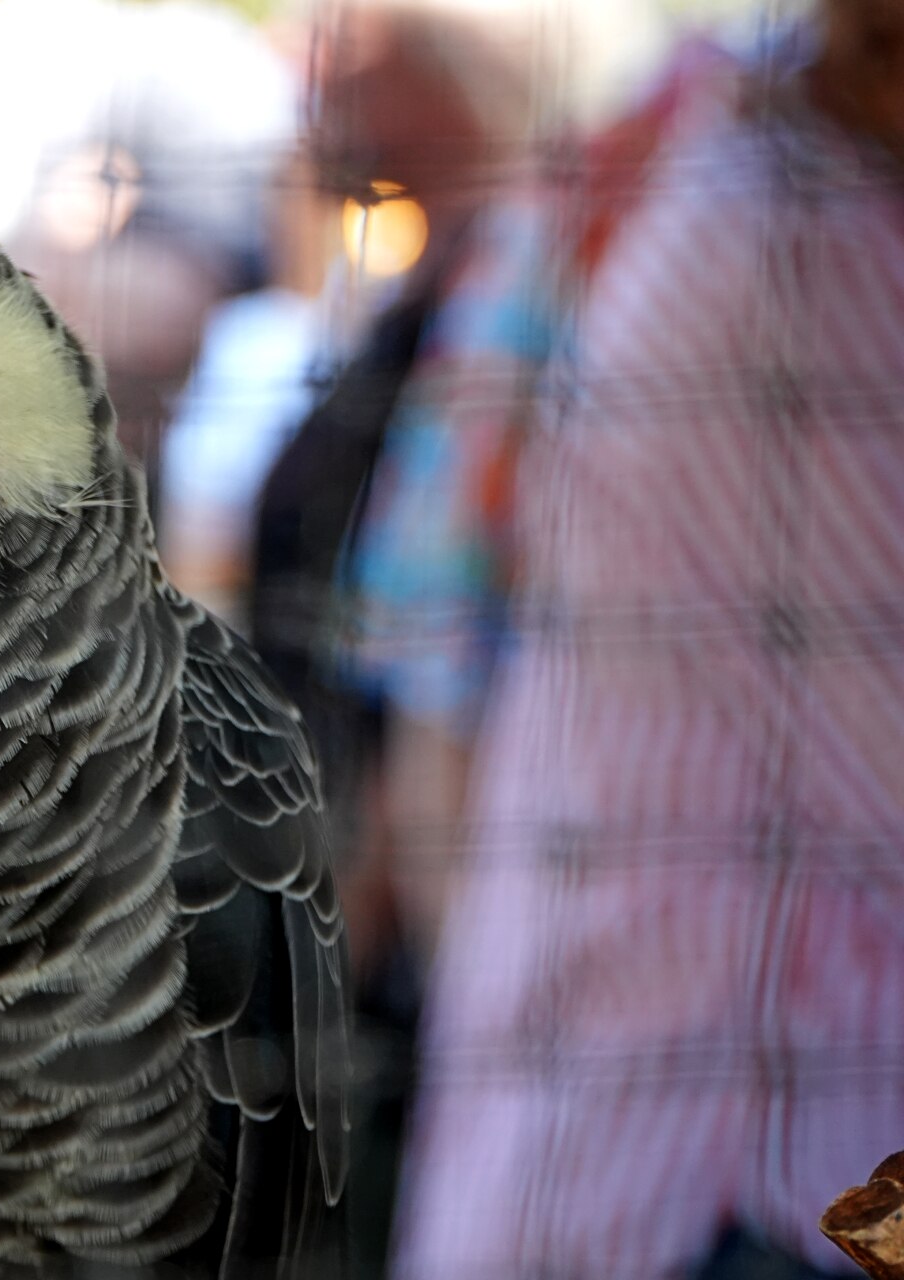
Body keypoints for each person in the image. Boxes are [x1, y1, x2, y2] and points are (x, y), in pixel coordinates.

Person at [389, 6, 904, 1276]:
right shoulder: (788, 232)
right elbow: (424, 663)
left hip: (634, 1146)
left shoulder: (676, 156)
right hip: (738, 1187)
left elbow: (426, 665)